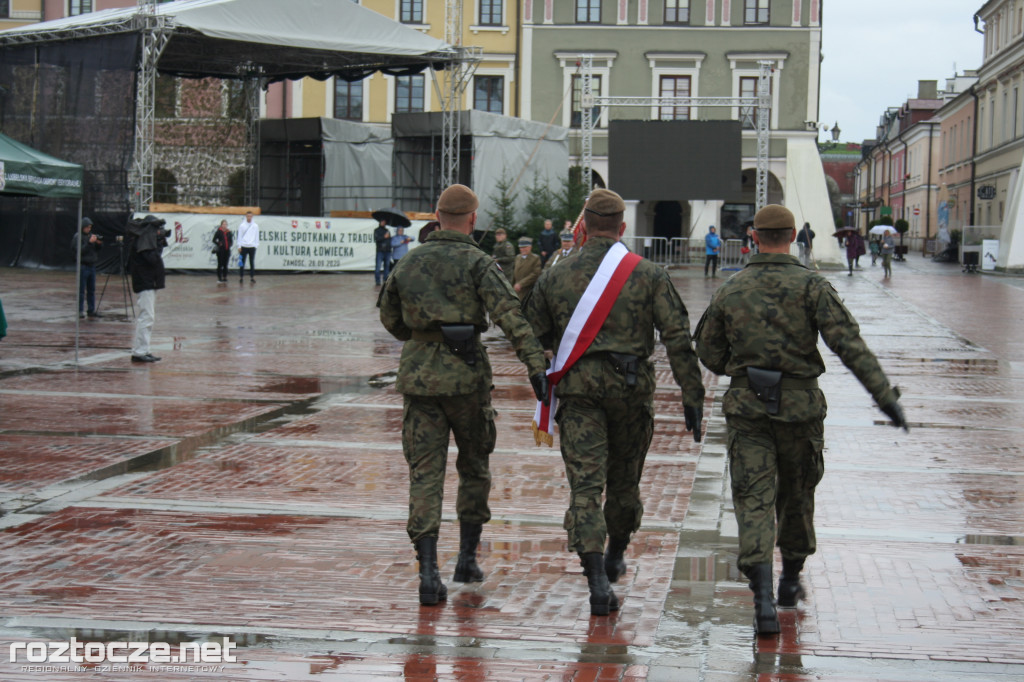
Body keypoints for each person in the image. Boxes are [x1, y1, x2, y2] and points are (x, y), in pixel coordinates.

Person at [694, 204, 908, 636]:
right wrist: (886, 399)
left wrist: (745, 364)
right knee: (796, 495)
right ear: (792, 235)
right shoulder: (813, 286)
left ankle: (761, 602)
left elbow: (708, 352)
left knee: (753, 501)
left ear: (752, 237)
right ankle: (790, 580)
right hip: (800, 409)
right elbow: (849, 346)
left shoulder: (731, 290)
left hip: (749, 408)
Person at [524, 188, 705, 617]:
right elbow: (678, 338)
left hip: (581, 393)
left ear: (582, 226)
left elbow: (533, 334)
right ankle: (616, 554)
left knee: (585, 488)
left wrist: (540, 373)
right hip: (631, 392)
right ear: (623, 228)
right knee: (625, 484)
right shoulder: (648, 274)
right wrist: (691, 395)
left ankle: (597, 582)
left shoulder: (556, 274)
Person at [378, 184, 549, 606]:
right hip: (468, 382)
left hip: (420, 382)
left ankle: (428, 572)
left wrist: (422, 339)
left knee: (425, 474)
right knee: (474, 467)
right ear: (473, 220)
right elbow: (512, 316)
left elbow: (389, 316)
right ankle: (466, 560)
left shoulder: (410, 261)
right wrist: (535, 366)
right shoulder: (479, 263)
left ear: (436, 217)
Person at [127, 215, 169, 363]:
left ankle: (143, 349)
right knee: (146, 316)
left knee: (147, 317)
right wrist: (158, 244)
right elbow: (153, 259)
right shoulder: (144, 243)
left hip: (147, 283)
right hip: (145, 283)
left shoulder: (142, 241)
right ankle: (139, 351)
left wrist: (160, 242)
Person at [71, 217, 104, 319]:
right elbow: (79, 251)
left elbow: (96, 250)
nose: (89, 229)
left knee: (91, 290)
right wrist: (89, 243)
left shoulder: (91, 236)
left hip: (91, 266)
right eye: (87, 227)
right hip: (83, 266)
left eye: (90, 227)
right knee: (81, 290)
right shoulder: (78, 237)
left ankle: (91, 309)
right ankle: (80, 310)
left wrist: (98, 244)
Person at [513, 236, 542, 302]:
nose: (522, 249)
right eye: (521, 247)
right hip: (517, 290)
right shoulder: (518, 257)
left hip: (528, 291)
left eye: (524, 247)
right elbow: (514, 273)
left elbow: (535, 274)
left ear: (530, 247)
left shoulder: (535, 258)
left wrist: (521, 284)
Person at [237, 211, 259, 283]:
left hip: (252, 246)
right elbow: (239, 236)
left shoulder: (255, 226)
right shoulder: (242, 225)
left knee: (251, 262)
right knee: (242, 262)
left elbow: (256, 236)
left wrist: (256, 245)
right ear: (246, 216)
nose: (249, 217)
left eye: (250, 216)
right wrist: (239, 246)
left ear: (252, 217)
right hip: (244, 246)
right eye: (248, 216)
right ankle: (241, 277)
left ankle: (252, 277)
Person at [212, 219, 233, 283]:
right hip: (221, 251)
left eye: (225, 224)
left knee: (225, 264)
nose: (224, 225)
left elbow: (231, 241)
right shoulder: (219, 232)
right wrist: (219, 243)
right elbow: (214, 240)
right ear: (221, 225)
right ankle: (219, 277)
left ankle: (225, 277)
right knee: (220, 264)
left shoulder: (229, 232)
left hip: (227, 250)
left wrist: (229, 244)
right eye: (223, 224)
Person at [373, 218, 392, 285]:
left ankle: (385, 279)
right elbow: (377, 239)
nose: (383, 223)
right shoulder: (376, 230)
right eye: (382, 221)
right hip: (380, 251)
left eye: (384, 222)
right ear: (380, 222)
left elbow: (389, 240)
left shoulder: (387, 230)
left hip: (387, 251)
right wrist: (384, 237)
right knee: (378, 266)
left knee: (387, 266)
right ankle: (377, 281)